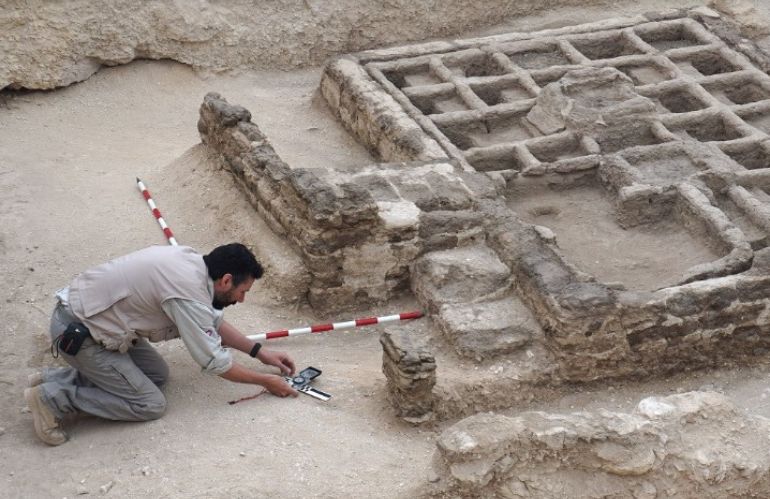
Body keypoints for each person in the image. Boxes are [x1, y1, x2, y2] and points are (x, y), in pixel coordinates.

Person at [24, 243, 298, 446]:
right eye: (242, 291)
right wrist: (266, 382)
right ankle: (52, 399)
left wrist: (260, 353)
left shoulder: (193, 262)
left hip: (95, 320)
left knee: (157, 375)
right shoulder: (187, 293)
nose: (242, 299)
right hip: (80, 332)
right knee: (149, 405)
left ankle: (52, 377)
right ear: (226, 280)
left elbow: (212, 323)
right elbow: (215, 362)